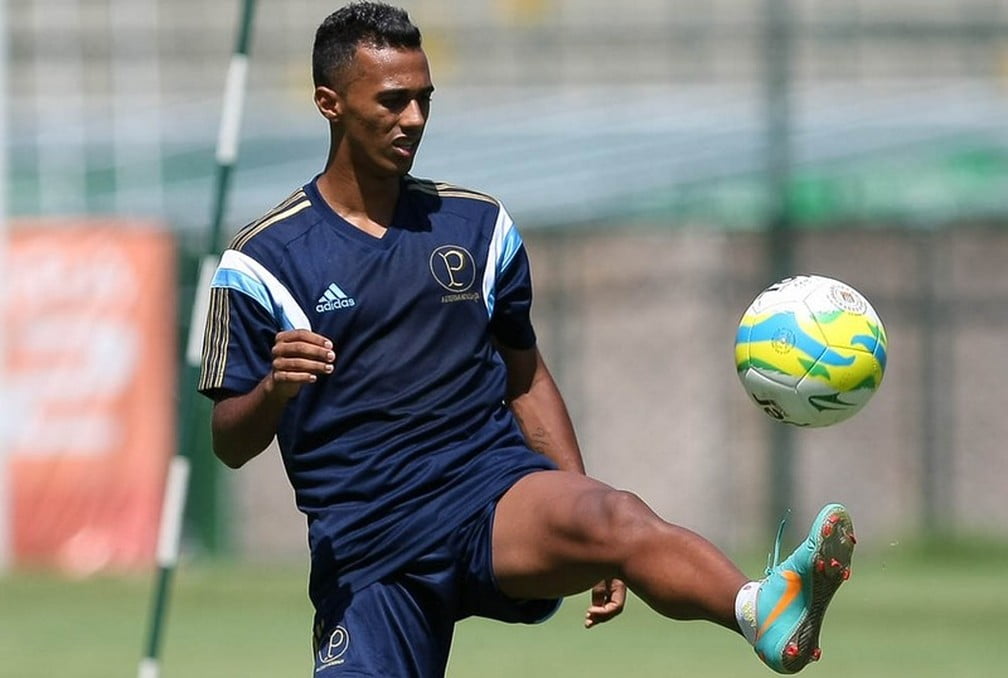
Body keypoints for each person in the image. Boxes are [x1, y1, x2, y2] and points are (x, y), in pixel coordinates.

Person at [198, 2, 856, 675]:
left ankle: (761, 608)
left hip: (489, 494)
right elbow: (229, 440)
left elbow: (525, 376)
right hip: (370, 545)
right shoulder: (262, 261)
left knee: (619, 518)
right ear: (328, 103)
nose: (415, 119)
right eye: (393, 101)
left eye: (425, 99)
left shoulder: (478, 227)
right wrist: (276, 390)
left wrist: (590, 523)